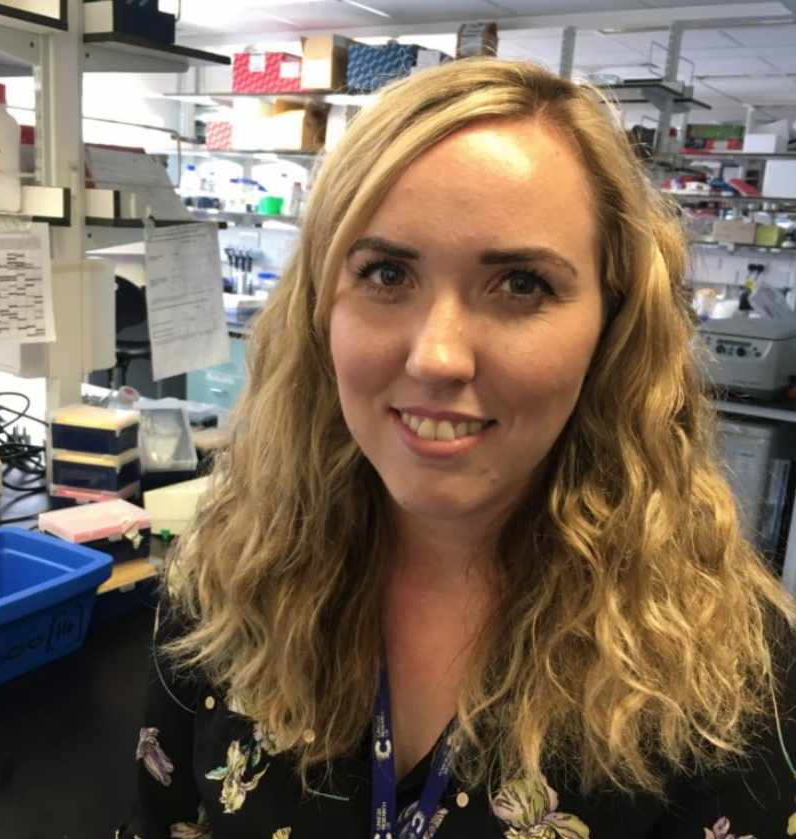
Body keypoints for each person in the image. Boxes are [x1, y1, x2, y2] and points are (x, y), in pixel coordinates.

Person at [118, 57, 796, 839]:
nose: (437, 357)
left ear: (610, 328)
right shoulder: (228, 575)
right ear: (318, 309)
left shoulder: (731, 670)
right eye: (385, 272)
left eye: (521, 284)